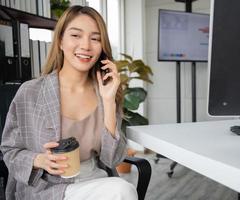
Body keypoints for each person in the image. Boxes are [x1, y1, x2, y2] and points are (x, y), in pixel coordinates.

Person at [0, 5, 138, 200]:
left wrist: (108, 102)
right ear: (60, 42)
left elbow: (112, 159)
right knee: (121, 191)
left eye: (95, 38)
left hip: (95, 181)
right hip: (47, 187)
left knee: (120, 190)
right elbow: (9, 150)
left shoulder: (106, 92)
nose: (86, 45)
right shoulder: (30, 92)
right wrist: (39, 160)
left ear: (102, 48)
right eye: (76, 35)